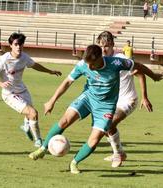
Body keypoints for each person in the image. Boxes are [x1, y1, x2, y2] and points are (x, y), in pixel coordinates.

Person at [28, 44, 162, 174]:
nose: (89, 67)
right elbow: (67, 82)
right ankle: (43, 148)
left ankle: (74, 163)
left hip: (106, 106)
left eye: (92, 64)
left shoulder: (115, 63)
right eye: (87, 63)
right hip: (88, 98)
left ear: (100, 58)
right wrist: (52, 101)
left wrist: (154, 76)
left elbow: (138, 66)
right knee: (64, 120)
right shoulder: (83, 65)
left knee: (94, 139)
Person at [96, 31, 162, 168]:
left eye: (107, 46)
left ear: (113, 45)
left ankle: (118, 154)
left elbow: (139, 73)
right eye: (101, 46)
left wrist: (145, 96)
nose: (103, 50)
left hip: (128, 100)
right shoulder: (99, 61)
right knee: (105, 126)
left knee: (109, 124)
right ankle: (119, 153)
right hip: (112, 102)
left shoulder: (119, 59)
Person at [0, 32, 62, 147]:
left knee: (30, 115)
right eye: (16, 44)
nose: (19, 47)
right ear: (11, 45)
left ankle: (26, 127)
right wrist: (1, 84)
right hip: (9, 94)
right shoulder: (3, 60)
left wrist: (50, 71)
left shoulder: (24, 57)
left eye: (21, 44)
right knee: (33, 113)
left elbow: (34, 65)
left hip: (22, 90)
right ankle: (38, 141)